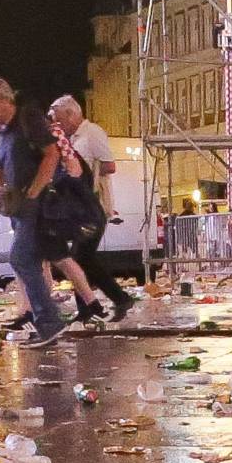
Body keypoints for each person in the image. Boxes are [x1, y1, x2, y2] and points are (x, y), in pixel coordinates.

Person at [0, 76, 66, 345]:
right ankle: (43, 318)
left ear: (6, 98)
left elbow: (52, 154)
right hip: (17, 208)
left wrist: (35, 192)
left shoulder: (28, 119)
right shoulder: (1, 134)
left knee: (21, 258)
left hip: (37, 204)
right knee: (31, 261)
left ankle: (49, 320)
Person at [48, 95, 132, 319]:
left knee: (79, 258)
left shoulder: (92, 133)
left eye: (59, 119)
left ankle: (114, 300)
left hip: (91, 205)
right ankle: (95, 305)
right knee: (80, 258)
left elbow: (109, 165)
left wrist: (83, 175)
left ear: (71, 114)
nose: (58, 125)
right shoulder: (70, 139)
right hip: (79, 207)